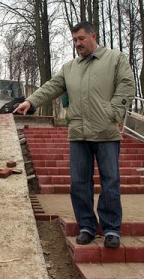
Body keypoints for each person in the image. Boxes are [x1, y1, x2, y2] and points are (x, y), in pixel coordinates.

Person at [13, 21, 135, 248]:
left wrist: (114, 112)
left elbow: (127, 86)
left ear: (93, 35)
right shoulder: (70, 67)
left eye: (81, 38)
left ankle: (111, 230)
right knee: (79, 183)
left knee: (111, 183)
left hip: (106, 132)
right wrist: (30, 101)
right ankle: (86, 226)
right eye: (74, 40)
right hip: (78, 133)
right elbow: (51, 87)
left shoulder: (115, 59)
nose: (77, 44)